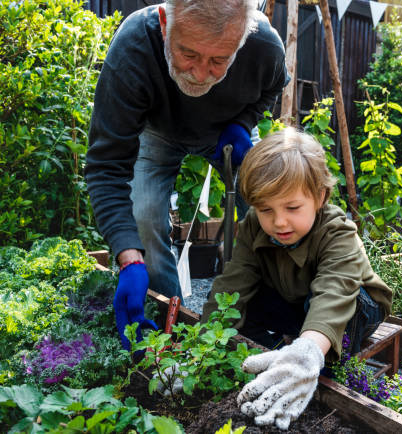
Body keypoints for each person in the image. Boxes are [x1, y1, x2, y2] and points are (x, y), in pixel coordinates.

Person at [84, 0, 288, 349]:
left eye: (218, 61)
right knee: (143, 222)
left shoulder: (263, 45)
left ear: (241, 39)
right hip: (157, 132)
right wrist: (128, 257)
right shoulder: (134, 46)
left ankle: (269, 315)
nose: (199, 73)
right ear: (165, 23)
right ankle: (168, 326)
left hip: (226, 132)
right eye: (188, 53)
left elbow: (272, 87)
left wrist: (242, 124)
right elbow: (106, 166)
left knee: (271, 207)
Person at [200, 128, 393, 429]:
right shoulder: (254, 226)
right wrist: (201, 348)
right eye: (265, 209)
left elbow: (334, 292)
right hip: (295, 300)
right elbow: (233, 283)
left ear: (319, 197)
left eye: (292, 208)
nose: (278, 221)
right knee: (240, 303)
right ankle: (276, 354)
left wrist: (308, 353)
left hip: (353, 305)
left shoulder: (337, 231)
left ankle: (316, 369)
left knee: (344, 307)